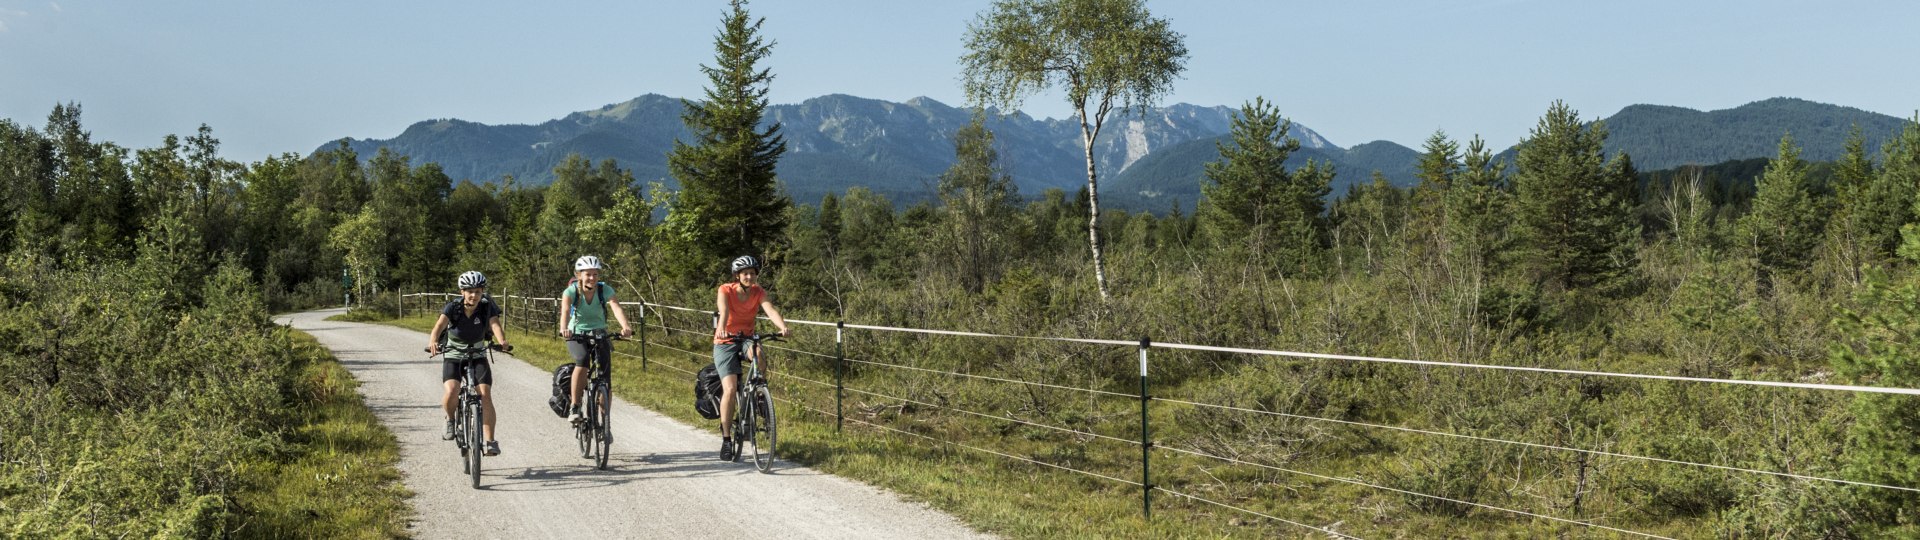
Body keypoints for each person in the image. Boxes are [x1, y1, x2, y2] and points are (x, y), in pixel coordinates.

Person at [712, 255, 790, 461]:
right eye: (745, 273)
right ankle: (727, 439)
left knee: (759, 355)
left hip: (746, 337)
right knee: (729, 389)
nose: (749, 277)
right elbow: (724, 310)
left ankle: (760, 395)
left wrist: (782, 327)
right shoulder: (725, 290)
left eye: (752, 273)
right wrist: (721, 329)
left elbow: (770, 309)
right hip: (726, 340)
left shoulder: (758, 291)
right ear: (737, 275)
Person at [427, 271, 511, 456]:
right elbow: (439, 327)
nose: (474, 295)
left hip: (477, 353)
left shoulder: (486, 306)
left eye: (478, 292)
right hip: (454, 354)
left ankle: (490, 441)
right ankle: (450, 419)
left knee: (485, 394)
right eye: (470, 291)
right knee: (452, 390)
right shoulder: (453, 307)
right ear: (462, 291)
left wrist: (502, 341)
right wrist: (433, 341)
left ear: (482, 292)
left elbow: (495, 324)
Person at [559, 255, 632, 426]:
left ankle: (605, 422)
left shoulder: (603, 289)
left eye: (595, 274)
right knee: (582, 360)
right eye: (588, 274)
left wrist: (625, 327)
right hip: (576, 333)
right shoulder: (571, 291)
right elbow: (565, 310)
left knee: (606, 378)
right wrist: (564, 329)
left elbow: (616, 307)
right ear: (579, 275)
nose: (592, 278)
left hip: (599, 333)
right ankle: (575, 406)